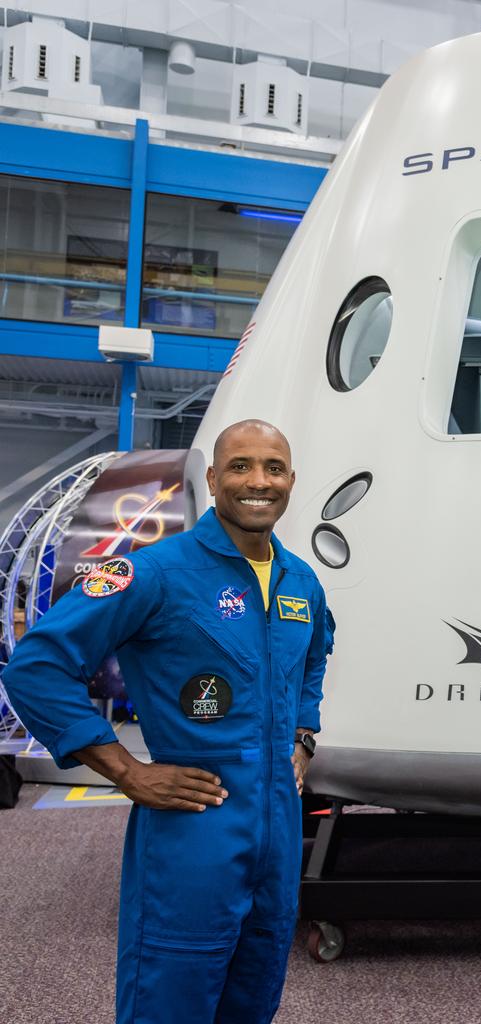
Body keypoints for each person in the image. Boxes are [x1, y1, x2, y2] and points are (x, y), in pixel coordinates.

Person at [3, 419, 334, 1024]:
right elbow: (36, 666)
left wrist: (303, 735)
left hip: (279, 831)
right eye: (240, 466)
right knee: (170, 999)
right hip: (192, 829)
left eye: (273, 468)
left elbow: (315, 657)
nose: (258, 481)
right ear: (212, 479)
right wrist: (127, 771)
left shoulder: (302, 582)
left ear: (290, 481)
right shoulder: (152, 572)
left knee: (255, 995)